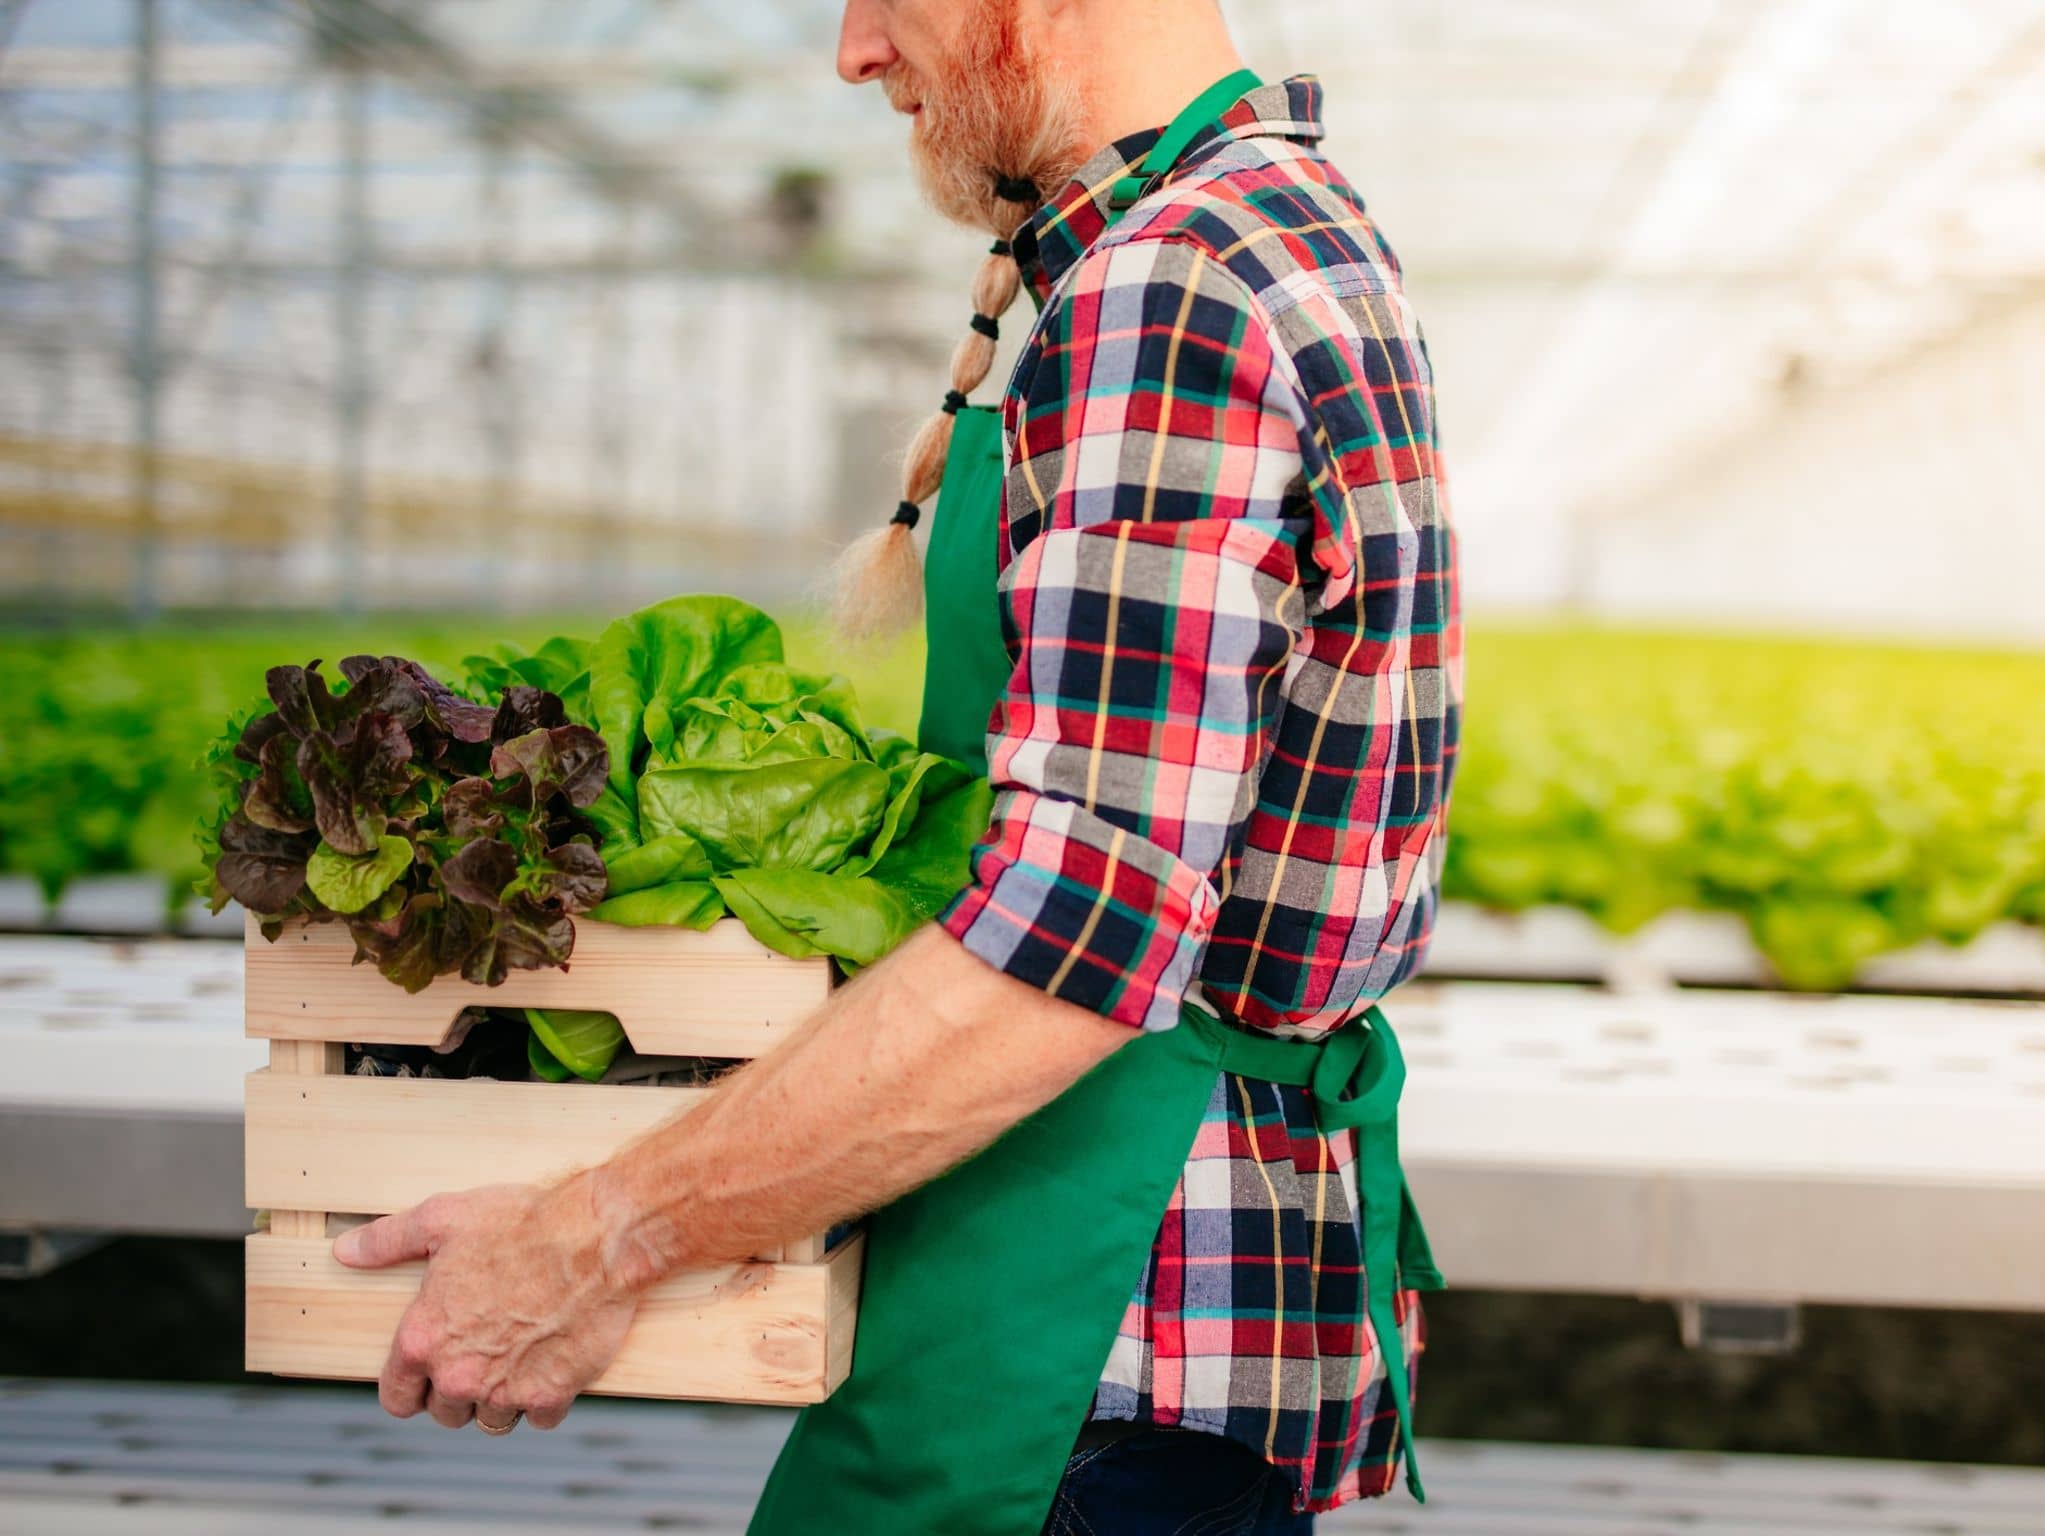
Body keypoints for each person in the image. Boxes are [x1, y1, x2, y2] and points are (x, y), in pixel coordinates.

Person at [332, 1, 1463, 1530]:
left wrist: (592, 1238)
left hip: (1085, 1347)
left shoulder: (1175, 291)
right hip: (1170, 1317)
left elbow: (1076, 940)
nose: (854, 50)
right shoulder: (1286, 221)